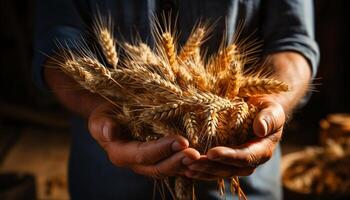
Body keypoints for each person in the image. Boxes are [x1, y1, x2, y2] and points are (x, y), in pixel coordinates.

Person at [33, 0, 319, 199]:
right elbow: (55, 43)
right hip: (107, 183)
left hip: (244, 185)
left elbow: (292, 39)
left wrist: (271, 104)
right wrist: (101, 108)